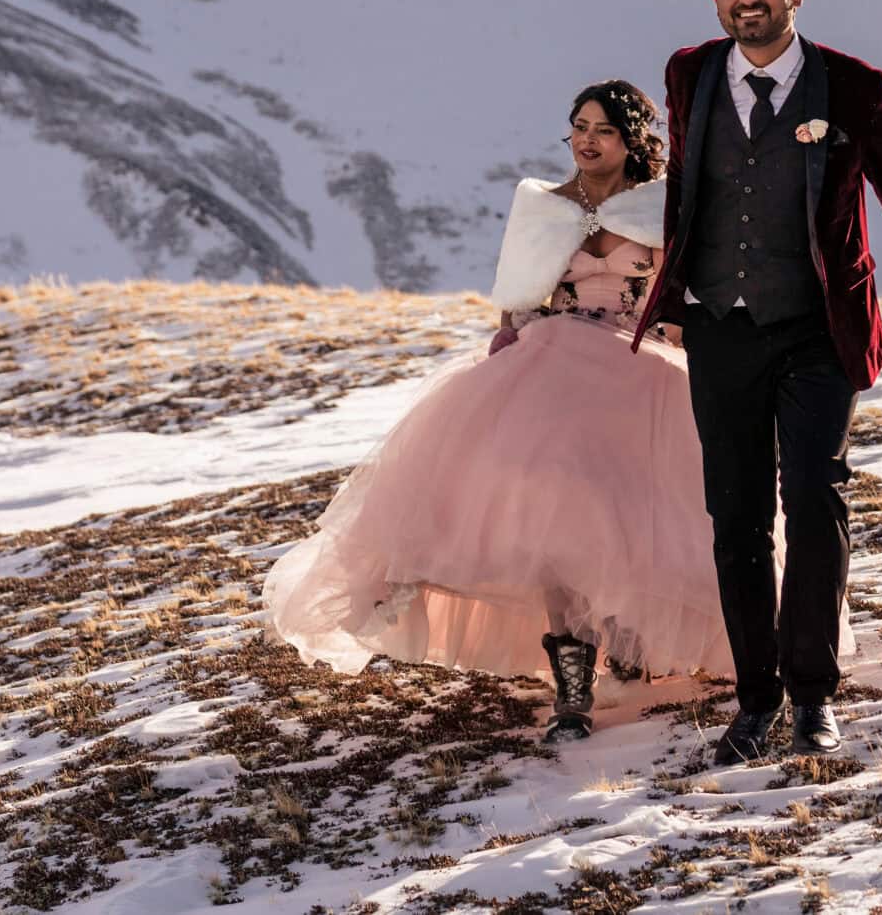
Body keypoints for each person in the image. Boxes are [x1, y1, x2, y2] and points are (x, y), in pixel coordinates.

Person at [260, 81, 730, 743]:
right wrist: (510, 344)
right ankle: (572, 690)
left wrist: (692, 371)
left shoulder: (660, 210)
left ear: (633, 141)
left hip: (637, 372)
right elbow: (516, 298)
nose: (586, 140)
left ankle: (628, 645)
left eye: (603, 129)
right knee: (554, 526)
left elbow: (680, 305)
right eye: (578, 126)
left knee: (631, 513)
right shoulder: (541, 206)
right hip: (554, 369)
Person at [633, 0, 882, 765]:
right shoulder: (691, 73)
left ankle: (813, 696)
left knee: (817, 501)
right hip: (722, 327)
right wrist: (673, 292)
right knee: (736, 518)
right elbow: (689, 184)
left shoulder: (852, 86)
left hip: (818, 329)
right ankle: (755, 700)